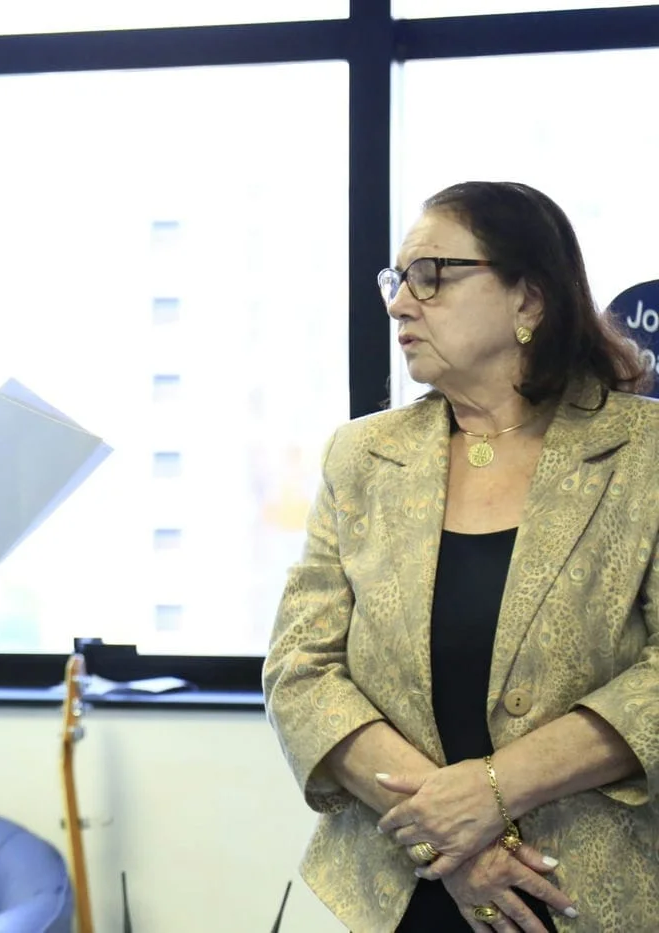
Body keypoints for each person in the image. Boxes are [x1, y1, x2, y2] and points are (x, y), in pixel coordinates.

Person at [263, 181, 659, 932]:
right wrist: (451, 836)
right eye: (397, 279)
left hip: (599, 890)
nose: (399, 304)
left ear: (528, 299)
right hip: (412, 887)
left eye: (431, 276)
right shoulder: (362, 456)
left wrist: (491, 790)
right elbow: (299, 669)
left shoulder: (645, 453)